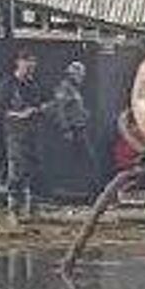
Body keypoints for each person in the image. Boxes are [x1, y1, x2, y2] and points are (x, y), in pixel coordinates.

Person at [0, 50, 48, 222]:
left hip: (34, 132)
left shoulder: (34, 85)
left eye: (33, 62)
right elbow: (0, 110)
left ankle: (33, 209)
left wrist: (38, 110)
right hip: (15, 132)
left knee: (34, 169)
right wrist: (19, 115)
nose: (31, 66)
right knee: (16, 169)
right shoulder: (8, 84)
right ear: (18, 62)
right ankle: (14, 210)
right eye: (27, 61)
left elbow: (43, 104)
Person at [51, 60, 97, 194]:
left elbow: (73, 107)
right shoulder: (64, 88)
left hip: (80, 128)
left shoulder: (74, 90)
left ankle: (83, 189)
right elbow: (60, 109)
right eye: (79, 75)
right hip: (72, 130)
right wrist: (65, 129)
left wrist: (84, 113)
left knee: (85, 160)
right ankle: (68, 189)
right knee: (81, 159)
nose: (81, 78)